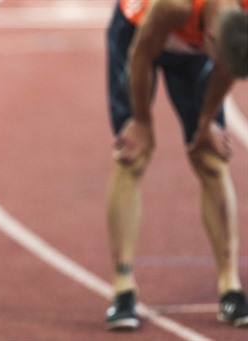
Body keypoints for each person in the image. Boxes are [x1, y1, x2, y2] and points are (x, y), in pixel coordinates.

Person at [105, 0, 248, 330]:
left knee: (210, 159)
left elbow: (227, 67)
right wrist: (141, 121)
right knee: (132, 156)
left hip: (194, 46)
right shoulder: (174, 5)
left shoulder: (236, 21)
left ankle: (230, 286)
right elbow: (141, 55)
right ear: (210, 37)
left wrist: (206, 124)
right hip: (137, 34)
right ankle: (123, 289)